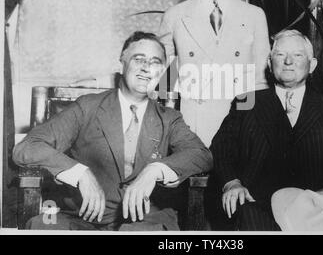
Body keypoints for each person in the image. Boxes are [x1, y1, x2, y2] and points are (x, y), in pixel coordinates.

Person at [13, 31, 212, 231]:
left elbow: (202, 154)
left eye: (155, 62)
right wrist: (80, 173)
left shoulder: (169, 118)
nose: (146, 68)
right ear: (121, 64)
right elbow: (27, 147)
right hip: (81, 218)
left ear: (161, 72)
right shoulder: (87, 107)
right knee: (41, 227)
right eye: (138, 59)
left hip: (146, 220)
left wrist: (155, 170)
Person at [210, 29, 323, 230]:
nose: (288, 62)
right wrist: (231, 183)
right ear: (269, 63)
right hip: (259, 208)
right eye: (280, 55)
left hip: (316, 210)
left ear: (312, 65)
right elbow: (221, 146)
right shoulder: (246, 101)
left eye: (297, 55)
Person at [159, 0, 270, 146]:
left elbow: (259, 81)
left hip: (239, 125)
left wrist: (250, 127)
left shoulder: (254, 15)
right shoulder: (175, 16)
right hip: (192, 126)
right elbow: (167, 85)